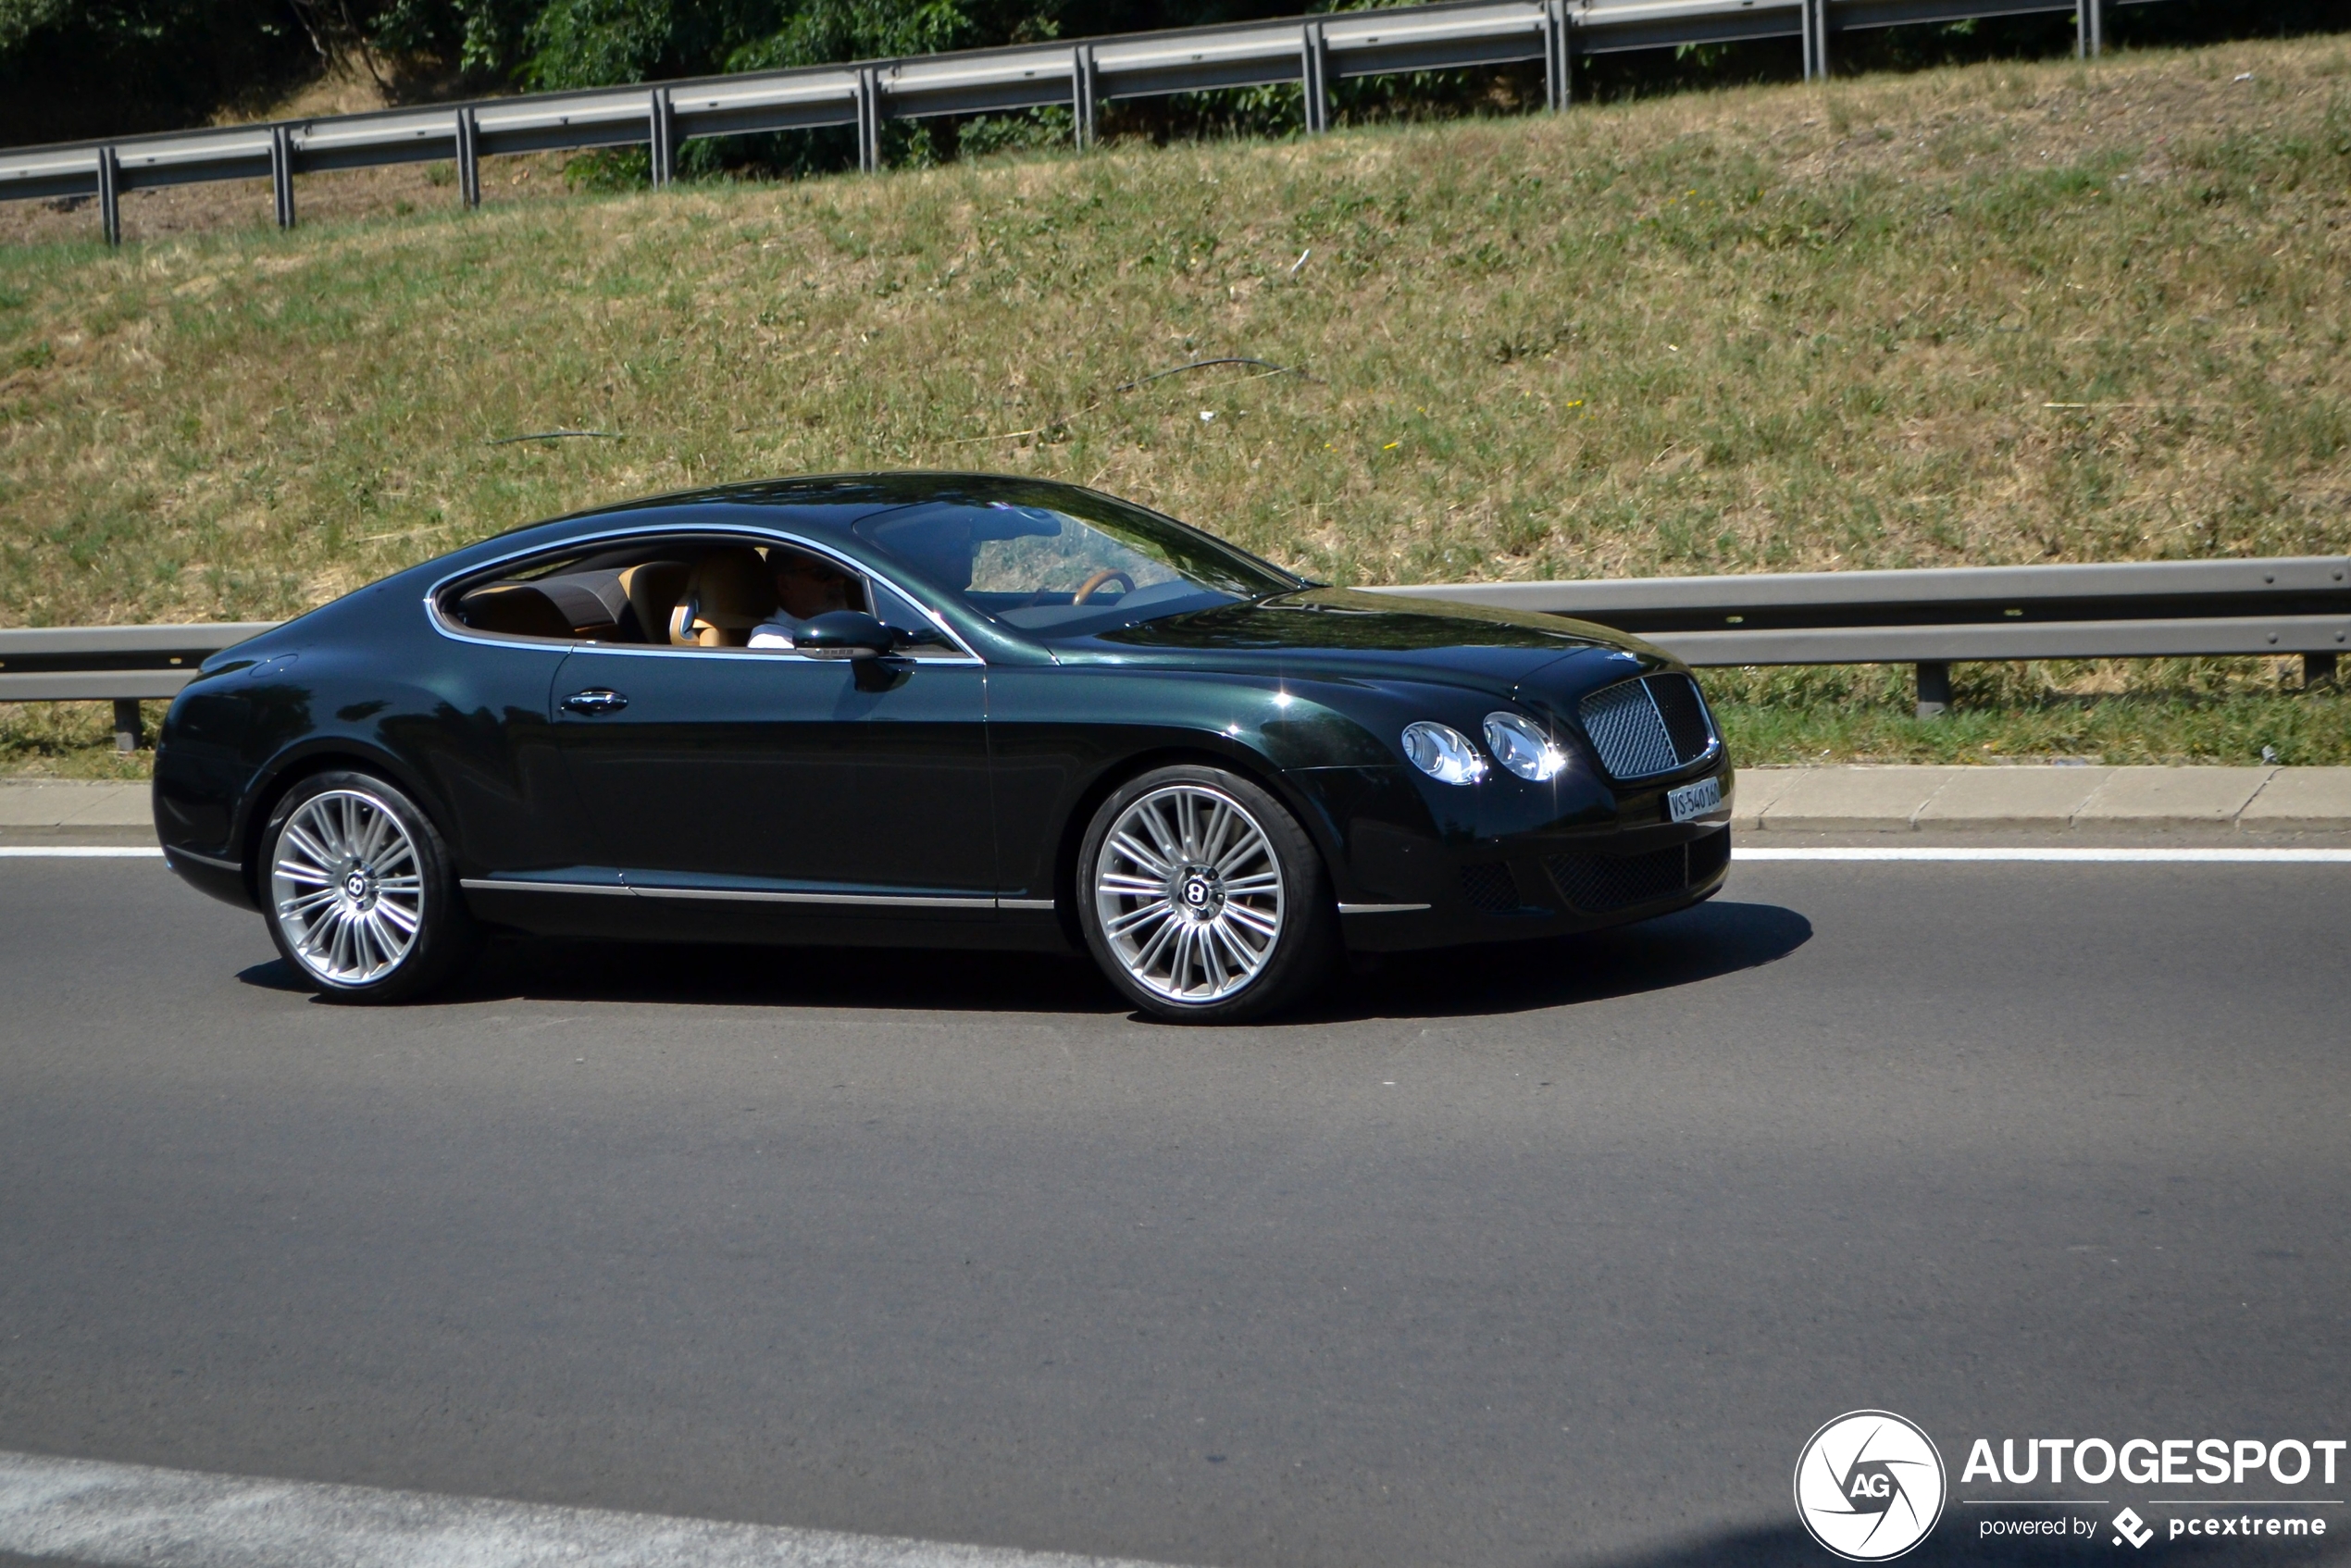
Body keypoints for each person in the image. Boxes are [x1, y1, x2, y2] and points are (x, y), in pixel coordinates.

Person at [748, 553, 857, 649]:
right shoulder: (770, 642)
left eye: (839, 571)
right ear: (785, 585)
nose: (839, 580)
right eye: (823, 572)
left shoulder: (842, 628)